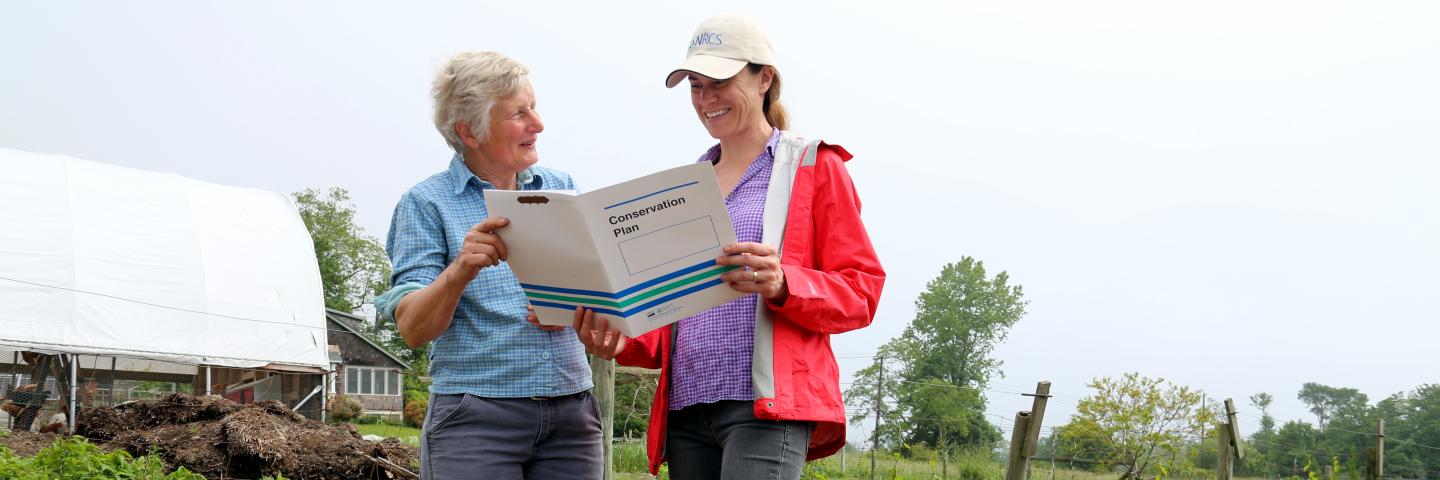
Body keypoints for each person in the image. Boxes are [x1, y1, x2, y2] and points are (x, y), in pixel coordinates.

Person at [574, 13, 885, 480]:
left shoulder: (815, 166)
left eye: (719, 81)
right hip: (687, 408)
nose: (706, 99)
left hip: (765, 409)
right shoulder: (683, 188)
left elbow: (861, 291)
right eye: (696, 86)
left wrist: (783, 283)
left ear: (765, 79)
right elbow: (670, 313)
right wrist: (618, 334)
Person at [375, 51, 601, 480]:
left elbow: (594, 292)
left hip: (572, 413)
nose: (538, 124)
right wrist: (460, 269)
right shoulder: (425, 204)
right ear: (470, 132)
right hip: (476, 418)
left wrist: (573, 308)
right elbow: (412, 328)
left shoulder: (561, 187)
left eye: (534, 107)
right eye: (519, 114)